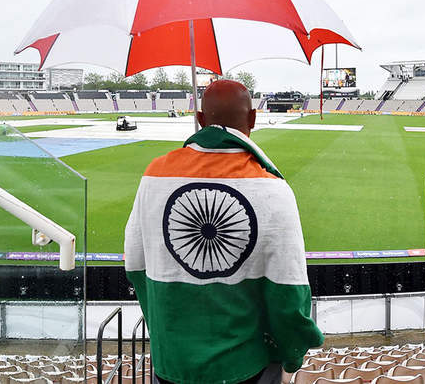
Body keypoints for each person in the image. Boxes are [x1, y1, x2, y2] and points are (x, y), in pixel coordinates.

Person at [125, 80, 322, 384]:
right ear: (253, 119)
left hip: (170, 364)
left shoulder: (153, 175)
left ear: (200, 120)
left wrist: (170, 337)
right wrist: (292, 356)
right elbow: (289, 292)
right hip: (246, 368)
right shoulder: (273, 188)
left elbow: (135, 265)